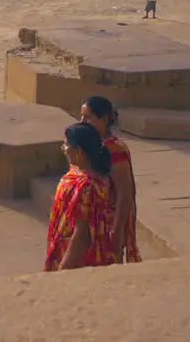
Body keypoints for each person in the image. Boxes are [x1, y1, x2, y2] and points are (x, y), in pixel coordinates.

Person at [45, 122, 116, 272]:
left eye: (66, 145)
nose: (63, 149)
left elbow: (81, 234)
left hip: (78, 259)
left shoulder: (86, 186)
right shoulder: (80, 174)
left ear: (79, 152)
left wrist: (64, 267)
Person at [81, 96, 141, 263]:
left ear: (104, 119)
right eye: (82, 117)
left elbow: (124, 194)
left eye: (88, 117)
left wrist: (117, 229)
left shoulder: (115, 151)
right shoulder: (92, 144)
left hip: (108, 222)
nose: (82, 121)